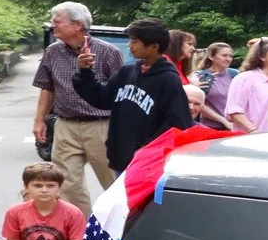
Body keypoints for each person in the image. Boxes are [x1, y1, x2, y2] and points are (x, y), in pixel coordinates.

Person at [30, 1, 123, 209]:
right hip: (65, 125)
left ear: (77, 25)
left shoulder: (109, 52)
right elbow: (47, 87)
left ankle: (122, 230)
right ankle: (80, 235)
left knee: (114, 182)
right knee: (66, 185)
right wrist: (39, 120)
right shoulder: (52, 51)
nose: (53, 25)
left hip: (101, 125)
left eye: (57, 21)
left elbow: (121, 93)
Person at [71, 17, 196, 172]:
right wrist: (85, 72)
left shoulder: (168, 79)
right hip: (122, 158)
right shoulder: (128, 71)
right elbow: (102, 99)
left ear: (154, 46)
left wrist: (146, 149)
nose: (130, 46)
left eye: (135, 41)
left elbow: (177, 123)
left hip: (148, 164)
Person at [195, 42, 237, 127]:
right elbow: (199, 104)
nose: (228, 59)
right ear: (211, 57)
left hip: (235, 125)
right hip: (211, 127)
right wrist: (224, 121)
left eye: (230, 56)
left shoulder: (235, 74)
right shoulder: (201, 77)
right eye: (224, 55)